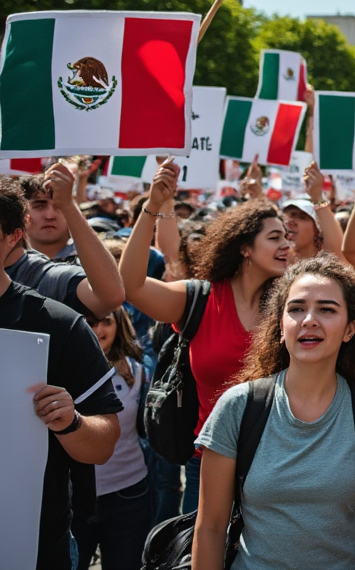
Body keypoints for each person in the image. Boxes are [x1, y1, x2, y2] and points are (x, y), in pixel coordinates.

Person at [192, 257, 355, 569]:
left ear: (350, 329)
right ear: (280, 325)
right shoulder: (238, 406)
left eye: (327, 310)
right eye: (296, 308)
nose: (309, 320)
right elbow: (210, 528)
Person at [119, 159, 291, 512]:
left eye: (287, 237)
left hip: (281, 463)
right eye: (275, 237)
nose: (286, 245)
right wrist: (153, 207)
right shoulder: (199, 298)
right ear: (244, 247)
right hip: (208, 462)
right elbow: (131, 285)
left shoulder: (292, 305)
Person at [0, 180, 121, 570]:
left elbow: (103, 443)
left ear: (13, 238)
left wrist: (70, 422)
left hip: (31, 547)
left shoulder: (57, 325)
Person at [72, 306, 151, 570]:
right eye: (90, 322)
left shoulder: (139, 372)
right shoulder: (62, 370)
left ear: (119, 326)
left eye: (105, 322)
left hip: (129, 495)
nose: (97, 330)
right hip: (75, 497)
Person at [7, 164, 126, 317]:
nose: (50, 215)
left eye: (58, 205)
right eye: (39, 205)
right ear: (22, 212)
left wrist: (68, 204)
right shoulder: (7, 263)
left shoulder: (91, 260)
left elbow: (111, 297)